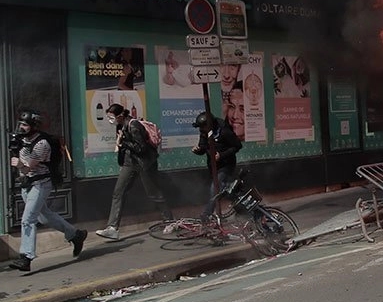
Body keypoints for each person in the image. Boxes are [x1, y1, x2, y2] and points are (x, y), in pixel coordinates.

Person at [8, 111, 87, 271]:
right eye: (20, 124)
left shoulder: (42, 144)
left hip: (40, 185)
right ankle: (75, 235)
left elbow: (29, 166)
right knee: (44, 217)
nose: (21, 128)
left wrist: (19, 165)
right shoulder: (23, 140)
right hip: (26, 184)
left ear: (33, 126)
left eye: (25, 125)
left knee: (28, 219)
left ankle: (26, 257)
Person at [95, 103, 173, 240]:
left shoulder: (133, 125)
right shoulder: (121, 126)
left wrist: (123, 142)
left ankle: (170, 221)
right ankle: (112, 228)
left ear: (120, 115)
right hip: (129, 163)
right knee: (118, 192)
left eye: (111, 117)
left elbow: (141, 148)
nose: (110, 120)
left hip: (144, 163)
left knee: (153, 193)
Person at [192, 110, 243, 219]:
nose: (201, 130)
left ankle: (206, 215)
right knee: (226, 190)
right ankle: (242, 205)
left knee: (214, 189)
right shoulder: (204, 132)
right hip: (213, 166)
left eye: (203, 127)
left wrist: (222, 155)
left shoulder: (224, 131)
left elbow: (237, 146)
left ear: (210, 125)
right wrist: (198, 150)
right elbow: (203, 147)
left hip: (226, 165)